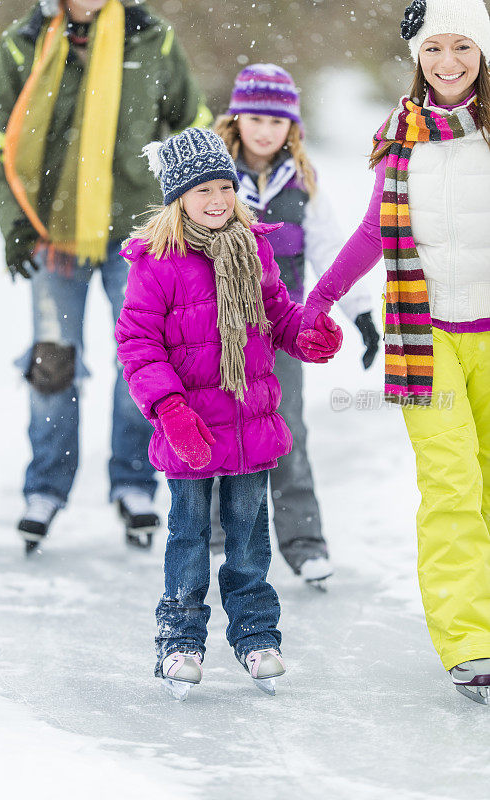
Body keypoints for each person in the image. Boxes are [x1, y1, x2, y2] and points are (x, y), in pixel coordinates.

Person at [298, 0, 490, 704]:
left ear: (483, 54)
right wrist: (318, 301)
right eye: (434, 48)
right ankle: (470, 642)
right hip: (426, 337)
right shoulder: (400, 135)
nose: (447, 63)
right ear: (417, 56)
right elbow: (375, 232)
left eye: (462, 49)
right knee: (452, 486)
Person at [0, 0, 211, 553]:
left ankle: (134, 483)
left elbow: (194, 126)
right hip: (51, 234)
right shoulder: (25, 41)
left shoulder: (152, 38)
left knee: (142, 359)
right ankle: (46, 489)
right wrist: (16, 225)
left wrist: (195, 213)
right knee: (53, 362)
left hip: (139, 236)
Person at [115, 127, 340, 697]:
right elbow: (138, 346)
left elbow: (274, 312)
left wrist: (304, 334)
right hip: (189, 427)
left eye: (224, 187)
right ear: (177, 198)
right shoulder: (156, 261)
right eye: (201, 191)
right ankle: (180, 642)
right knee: (189, 538)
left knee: (248, 539)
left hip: (249, 426)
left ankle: (257, 634)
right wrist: (169, 409)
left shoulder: (253, 246)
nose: (216, 200)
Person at [211, 64, 380, 584]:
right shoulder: (211, 179)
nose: (265, 131)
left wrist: (361, 315)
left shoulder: (302, 184)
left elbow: (332, 249)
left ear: (293, 128)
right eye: (256, 118)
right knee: (218, 424)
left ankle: (304, 542)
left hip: (281, 329)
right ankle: (216, 533)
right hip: (213, 330)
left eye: (277, 121)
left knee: (285, 430)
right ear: (237, 119)